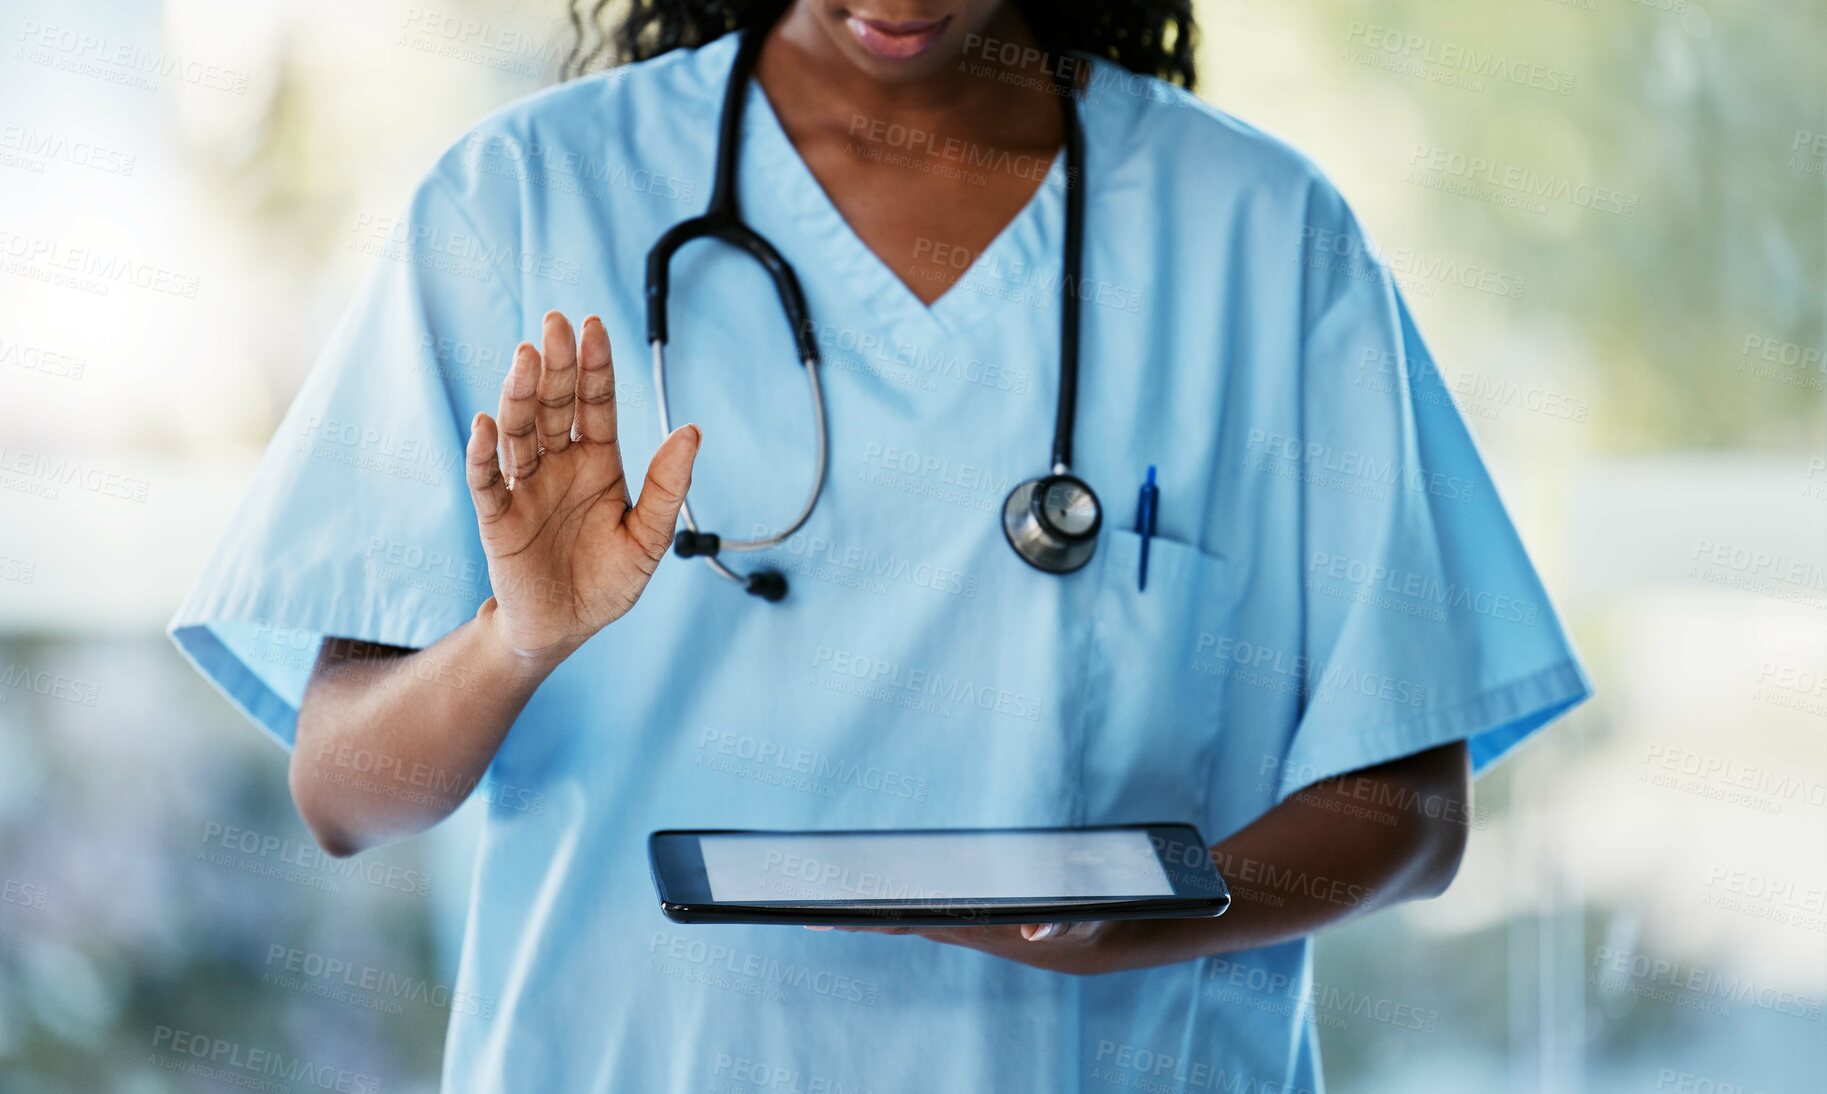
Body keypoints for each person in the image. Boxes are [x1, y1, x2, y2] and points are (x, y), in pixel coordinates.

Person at [170, 1, 1591, 1090]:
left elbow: (1408, 809)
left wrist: (1129, 927)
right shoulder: (520, 202)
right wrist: (516, 635)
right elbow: (344, 792)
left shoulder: (1265, 236)